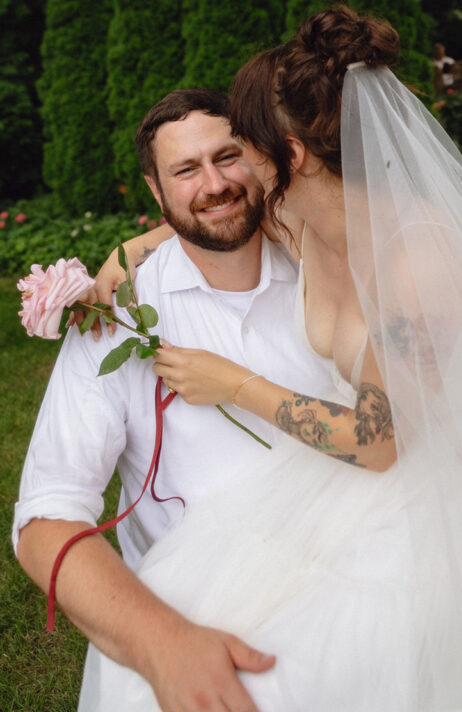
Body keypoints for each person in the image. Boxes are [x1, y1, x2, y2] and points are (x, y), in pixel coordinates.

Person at [87, 7, 462, 711]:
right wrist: (128, 250)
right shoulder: (299, 215)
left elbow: (378, 443)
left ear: (290, 153)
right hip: (353, 489)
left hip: (454, 496)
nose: (235, 167)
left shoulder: (417, 259)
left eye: (243, 146)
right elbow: (208, 214)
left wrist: (236, 384)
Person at [13, 88, 342, 712]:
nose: (214, 184)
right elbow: (45, 521)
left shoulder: (324, 264)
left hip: (359, 568)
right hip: (205, 609)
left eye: (228, 157)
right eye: (185, 170)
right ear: (155, 192)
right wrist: (163, 643)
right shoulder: (118, 318)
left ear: (262, 157)